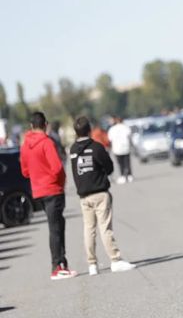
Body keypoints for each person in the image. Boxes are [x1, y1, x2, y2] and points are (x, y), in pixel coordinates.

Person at [69, 117, 136, 275]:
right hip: (99, 192)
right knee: (105, 228)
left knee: (89, 229)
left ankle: (92, 264)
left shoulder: (72, 150)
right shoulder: (96, 147)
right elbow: (109, 167)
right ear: (89, 129)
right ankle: (115, 259)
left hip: (84, 195)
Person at [20, 112, 77, 280]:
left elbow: (24, 171)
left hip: (38, 190)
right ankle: (57, 266)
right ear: (45, 124)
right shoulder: (46, 142)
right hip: (52, 189)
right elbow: (57, 167)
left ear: (31, 126)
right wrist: (58, 182)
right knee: (55, 228)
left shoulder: (25, 145)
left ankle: (61, 263)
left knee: (58, 223)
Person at [107, 117, 133, 184]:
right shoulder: (126, 127)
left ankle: (122, 175)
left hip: (117, 148)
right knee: (127, 162)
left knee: (120, 163)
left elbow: (110, 139)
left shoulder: (112, 129)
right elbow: (129, 136)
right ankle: (129, 175)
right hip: (125, 147)